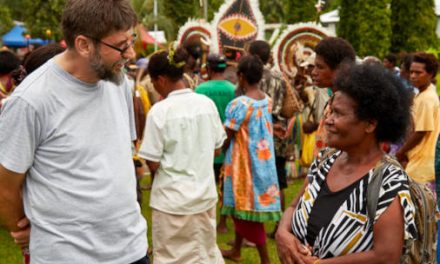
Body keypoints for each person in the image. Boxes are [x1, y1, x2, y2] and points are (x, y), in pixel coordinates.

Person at [0, 1, 149, 263]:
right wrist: (21, 227)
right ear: (83, 44)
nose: (130, 53)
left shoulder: (119, 82)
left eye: (131, 40)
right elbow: (6, 184)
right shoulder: (31, 100)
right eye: (121, 45)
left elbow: (118, 158)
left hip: (132, 251)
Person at [276, 63, 417, 263]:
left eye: (338, 114)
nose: (328, 120)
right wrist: (282, 234)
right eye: (331, 111)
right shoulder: (325, 160)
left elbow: (386, 256)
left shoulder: (388, 182)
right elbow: (292, 207)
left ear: (370, 124)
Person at [138, 47, 226, 264]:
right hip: (204, 196)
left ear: (160, 79)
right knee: (204, 254)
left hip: (172, 202)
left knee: (172, 258)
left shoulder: (160, 111)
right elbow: (217, 149)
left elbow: (153, 162)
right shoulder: (206, 104)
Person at [220, 55, 281, 264]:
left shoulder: (239, 104)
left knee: (244, 210)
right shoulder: (266, 100)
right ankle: (236, 249)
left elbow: (227, 135)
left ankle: (265, 259)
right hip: (262, 161)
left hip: (243, 164)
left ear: (241, 77)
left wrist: (219, 149)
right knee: (244, 206)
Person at [396, 52, 440, 191]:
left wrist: (400, 153)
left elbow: (420, 132)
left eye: (418, 73)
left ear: (430, 74)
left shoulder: (427, 99)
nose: (413, 76)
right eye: (411, 72)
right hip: (417, 160)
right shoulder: (422, 94)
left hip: (422, 164)